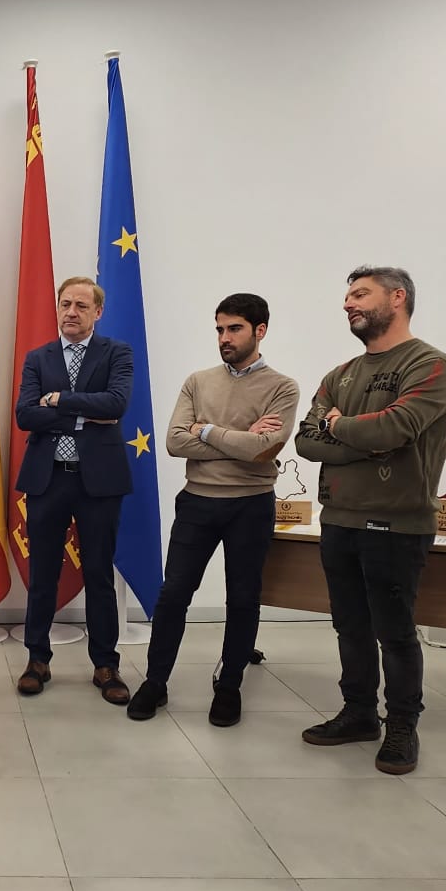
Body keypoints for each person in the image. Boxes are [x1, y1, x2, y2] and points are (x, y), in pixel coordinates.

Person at [292, 265, 446, 775]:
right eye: (347, 297)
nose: (348, 304)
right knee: (350, 625)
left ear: (398, 298)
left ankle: (402, 724)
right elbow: (305, 440)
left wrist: (341, 427)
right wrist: (360, 441)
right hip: (339, 519)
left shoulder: (430, 366)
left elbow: (397, 428)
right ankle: (359, 713)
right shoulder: (339, 375)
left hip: (396, 522)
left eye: (360, 294)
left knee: (395, 630)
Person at [131, 293, 299, 726]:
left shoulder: (282, 387)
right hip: (198, 502)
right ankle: (155, 681)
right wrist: (239, 439)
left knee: (243, 598)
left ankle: (229, 687)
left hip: (251, 506)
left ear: (259, 331)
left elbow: (264, 451)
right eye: (220, 329)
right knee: (173, 596)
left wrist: (204, 430)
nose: (224, 338)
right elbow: (173, 442)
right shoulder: (198, 381)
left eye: (234, 329)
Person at [12, 276, 135, 706]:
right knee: (42, 573)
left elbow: (116, 404)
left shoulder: (117, 352)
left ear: (97, 312)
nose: (71, 312)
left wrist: (58, 402)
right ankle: (37, 659)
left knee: (99, 573)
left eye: (82, 305)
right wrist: (84, 411)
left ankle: (106, 664)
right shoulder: (38, 357)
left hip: (98, 481)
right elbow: (25, 416)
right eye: (65, 304)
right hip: (49, 479)